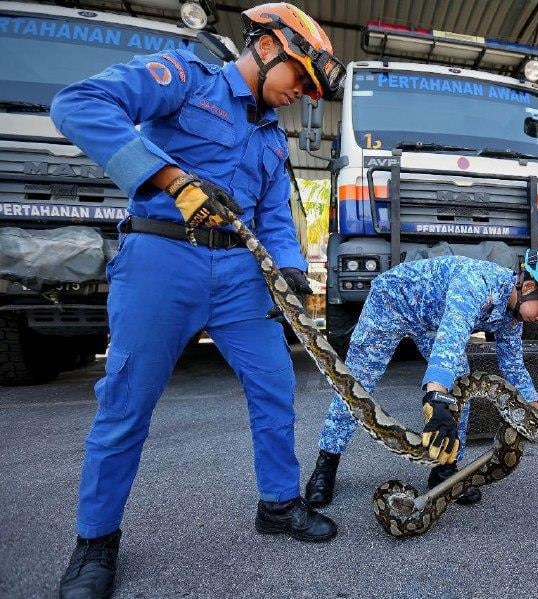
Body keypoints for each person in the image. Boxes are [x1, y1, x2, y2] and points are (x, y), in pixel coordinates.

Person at [51, 4, 346, 597]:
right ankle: (95, 544)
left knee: (274, 383)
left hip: (239, 271)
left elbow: (272, 215)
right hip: (162, 258)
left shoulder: (270, 138)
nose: (303, 95)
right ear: (267, 49)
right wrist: (170, 179)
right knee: (126, 401)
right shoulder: (184, 77)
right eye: (300, 79)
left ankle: (279, 504)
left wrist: (290, 270)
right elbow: (76, 105)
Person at [305, 249, 538, 507]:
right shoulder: (477, 283)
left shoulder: (511, 316)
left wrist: (535, 412)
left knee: (461, 383)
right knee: (356, 385)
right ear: (528, 287)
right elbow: (450, 340)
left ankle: (445, 472)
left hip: (431, 319)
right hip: (392, 303)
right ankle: (326, 464)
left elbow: (513, 365)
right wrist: (436, 397)